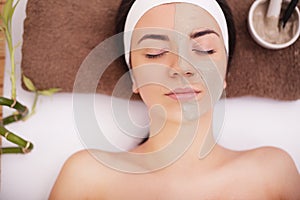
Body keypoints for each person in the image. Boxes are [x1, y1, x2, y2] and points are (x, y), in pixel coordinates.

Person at [49, 0, 300, 199]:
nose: (181, 66)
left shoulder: (272, 172)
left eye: (204, 49)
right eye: (155, 53)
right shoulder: (86, 177)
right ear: (133, 78)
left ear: (225, 74)